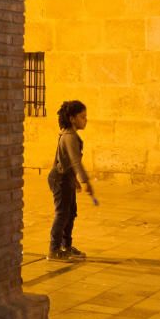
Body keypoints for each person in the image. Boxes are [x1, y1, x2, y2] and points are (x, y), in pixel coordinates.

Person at [47, 100, 95, 261]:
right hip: (60, 178)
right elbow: (75, 161)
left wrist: (73, 179)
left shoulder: (69, 135)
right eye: (82, 117)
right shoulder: (69, 137)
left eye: (85, 116)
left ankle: (66, 246)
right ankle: (54, 249)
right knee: (62, 213)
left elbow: (62, 160)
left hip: (65, 177)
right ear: (72, 118)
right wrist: (84, 181)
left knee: (71, 212)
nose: (85, 120)